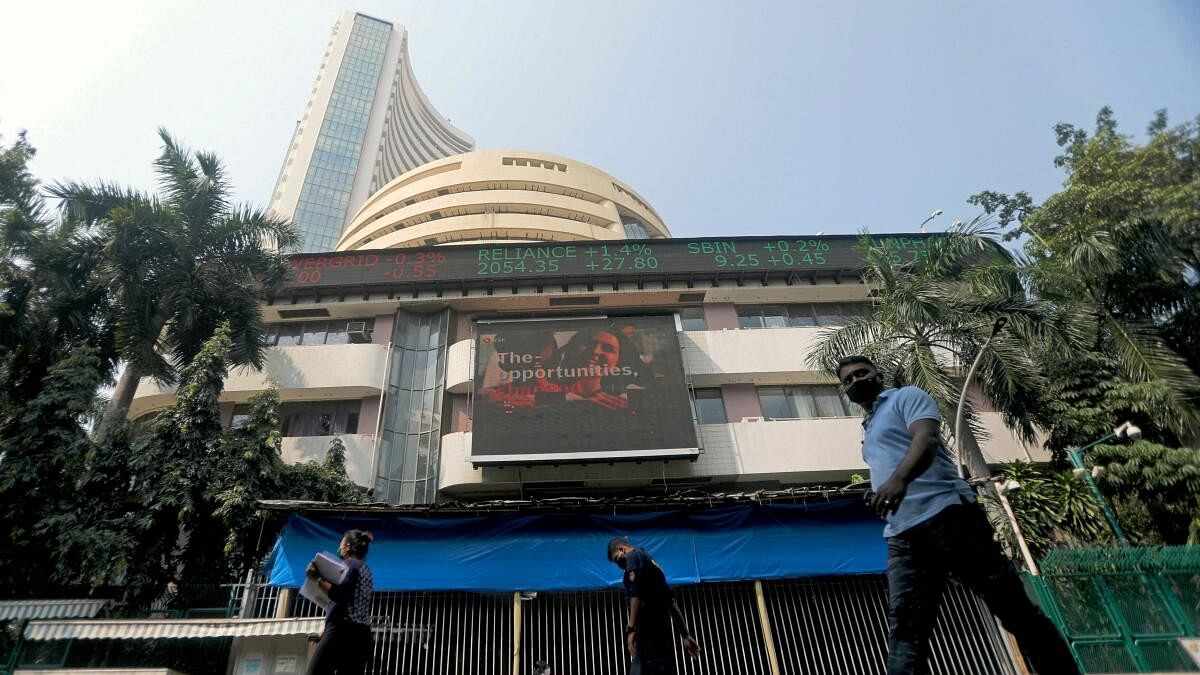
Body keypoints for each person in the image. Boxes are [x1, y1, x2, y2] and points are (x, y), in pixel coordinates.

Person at [836, 355, 1080, 675]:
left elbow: (927, 438)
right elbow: (889, 467)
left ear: (878, 375)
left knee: (1013, 610)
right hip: (902, 534)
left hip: (949, 517)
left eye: (861, 373)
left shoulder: (906, 397)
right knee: (906, 628)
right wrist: (879, 490)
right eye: (848, 380)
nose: (855, 381)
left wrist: (898, 481)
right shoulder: (867, 428)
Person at [608, 537, 702, 675]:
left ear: (622, 549)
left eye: (616, 559)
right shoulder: (652, 564)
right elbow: (671, 602)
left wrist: (631, 629)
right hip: (661, 640)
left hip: (649, 638)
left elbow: (636, 593)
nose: (619, 564)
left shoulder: (633, 556)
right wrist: (685, 634)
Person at [306, 529, 375, 675]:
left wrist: (317, 578)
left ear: (348, 547)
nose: (339, 548)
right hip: (361, 635)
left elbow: (339, 595)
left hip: (341, 632)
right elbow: (348, 602)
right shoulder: (365, 569)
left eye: (341, 544)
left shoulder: (349, 565)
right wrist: (324, 632)